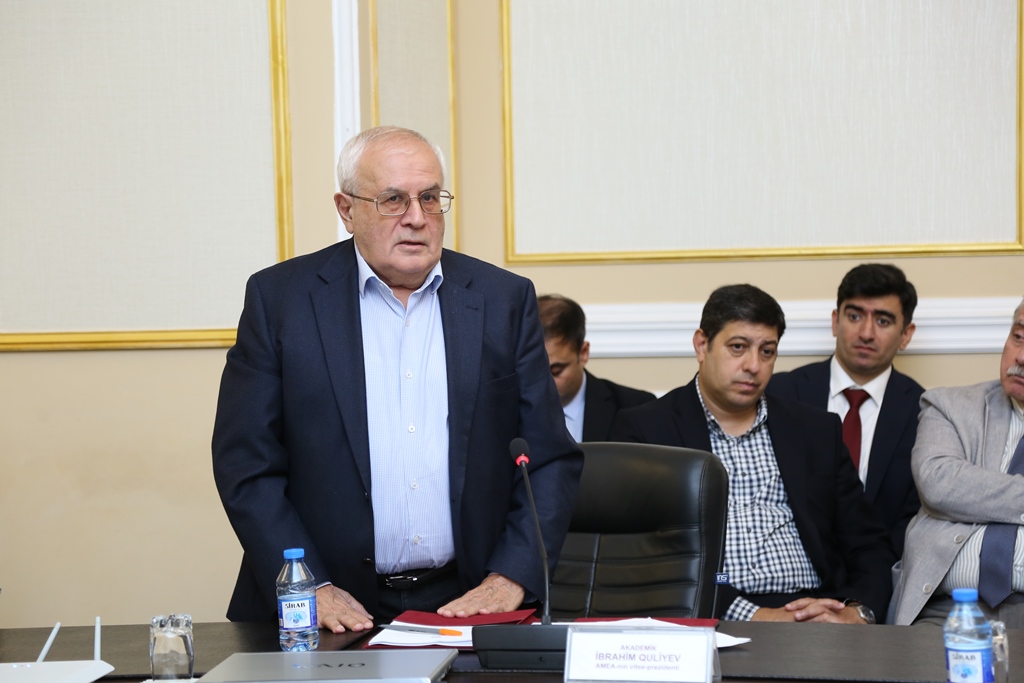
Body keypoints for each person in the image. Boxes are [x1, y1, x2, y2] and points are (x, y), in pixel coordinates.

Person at [212, 126, 583, 632]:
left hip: (468, 598)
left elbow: (548, 458)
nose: (416, 218)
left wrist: (512, 576)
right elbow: (245, 463)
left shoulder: (502, 299)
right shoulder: (281, 301)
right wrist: (307, 587)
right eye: (393, 200)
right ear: (346, 210)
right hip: (325, 606)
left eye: (430, 198)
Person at [610, 284, 895, 623]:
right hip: (713, 611)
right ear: (702, 345)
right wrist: (756, 615)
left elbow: (867, 543)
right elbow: (648, 552)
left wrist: (857, 613)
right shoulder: (647, 431)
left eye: (767, 351)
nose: (753, 366)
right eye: (738, 347)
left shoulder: (815, 431)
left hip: (819, 612)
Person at [768, 264, 923, 556]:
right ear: (835, 322)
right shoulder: (780, 394)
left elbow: (916, 521)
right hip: (787, 570)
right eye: (854, 316)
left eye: (883, 321)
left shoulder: (923, 412)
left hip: (883, 572)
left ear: (906, 335)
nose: (866, 333)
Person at [890, 298, 1024, 627]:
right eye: (1018, 337)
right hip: (948, 610)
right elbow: (939, 483)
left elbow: (962, 487)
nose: (1020, 357)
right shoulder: (949, 405)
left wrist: (978, 493)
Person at [537, 294, 655, 441]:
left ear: (583, 353)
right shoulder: (511, 410)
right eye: (534, 372)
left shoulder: (635, 408)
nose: (544, 382)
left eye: (556, 371)